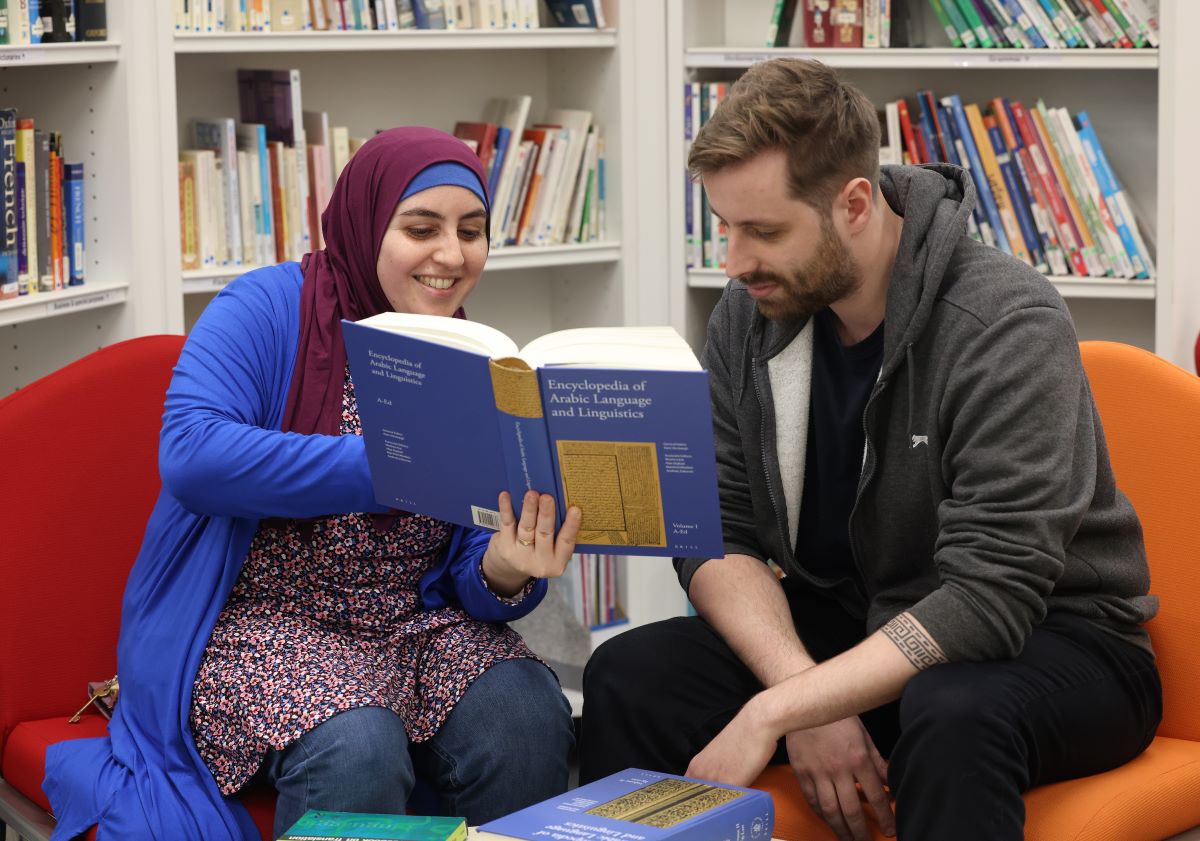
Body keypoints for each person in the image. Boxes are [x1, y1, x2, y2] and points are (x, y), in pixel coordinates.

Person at [579, 59, 1161, 841]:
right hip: (850, 623)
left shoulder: (1006, 322)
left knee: (952, 710)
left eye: (764, 230)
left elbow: (990, 597)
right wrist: (807, 688)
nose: (735, 260)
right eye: (726, 225)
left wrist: (784, 707)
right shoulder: (747, 315)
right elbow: (720, 530)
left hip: (1058, 637)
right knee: (630, 676)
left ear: (855, 202)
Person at [44, 126, 581, 841]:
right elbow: (193, 455)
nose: (451, 255)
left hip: (409, 623)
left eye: (472, 230)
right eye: (421, 228)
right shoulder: (267, 307)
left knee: (529, 713)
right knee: (356, 744)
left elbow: (468, 561)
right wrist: (390, 465)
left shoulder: (468, 349)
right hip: (254, 623)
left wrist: (505, 568)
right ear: (365, 222)